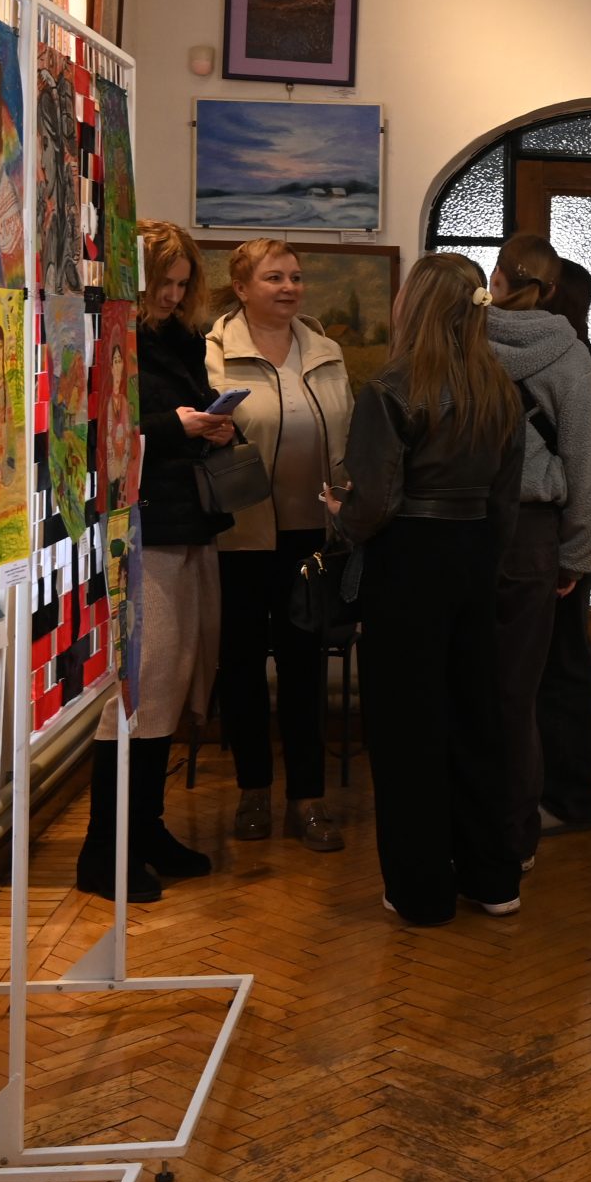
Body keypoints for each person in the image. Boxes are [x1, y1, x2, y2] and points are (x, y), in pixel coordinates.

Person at [328, 255, 526, 923]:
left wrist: (341, 514)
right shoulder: (499, 387)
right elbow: (505, 501)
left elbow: (376, 501)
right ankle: (493, 879)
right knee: (478, 720)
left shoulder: (390, 386)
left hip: (408, 561)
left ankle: (420, 890)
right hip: (475, 553)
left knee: (407, 727)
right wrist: (487, 561)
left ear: (416, 303)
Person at [79, 221, 236, 901]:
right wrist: (181, 426)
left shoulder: (182, 338)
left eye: (181, 284)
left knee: (168, 685)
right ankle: (104, 850)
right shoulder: (110, 336)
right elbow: (99, 432)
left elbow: (175, 416)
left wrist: (214, 426)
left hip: (185, 521)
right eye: (162, 284)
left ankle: (146, 829)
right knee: (135, 690)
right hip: (139, 528)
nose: (172, 296)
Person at [208, 239, 354, 852]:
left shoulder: (325, 351)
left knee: (303, 670)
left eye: (295, 276)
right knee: (242, 668)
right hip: (240, 536)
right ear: (242, 288)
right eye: (274, 278)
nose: (289, 287)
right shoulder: (214, 354)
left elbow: (347, 432)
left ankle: (308, 800)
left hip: (311, 538)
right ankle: (253, 792)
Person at [484, 235, 591, 872]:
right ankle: (517, 832)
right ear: (550, 288)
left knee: (472, 682)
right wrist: (577, 555)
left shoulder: (463, 340)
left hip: (464, 527)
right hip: (534, 533)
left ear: (496, 280)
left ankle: (472, 818)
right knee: (523, 690)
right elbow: (586, 462)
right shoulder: (569, 352)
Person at [536, 259, 591, 837]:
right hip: (580, 536)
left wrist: (575, 550)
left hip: (567, 539)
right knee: (563, 662)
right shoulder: (580, 360)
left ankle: (569, 798)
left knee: (563, 666)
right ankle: (563, 793)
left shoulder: (571, 365)